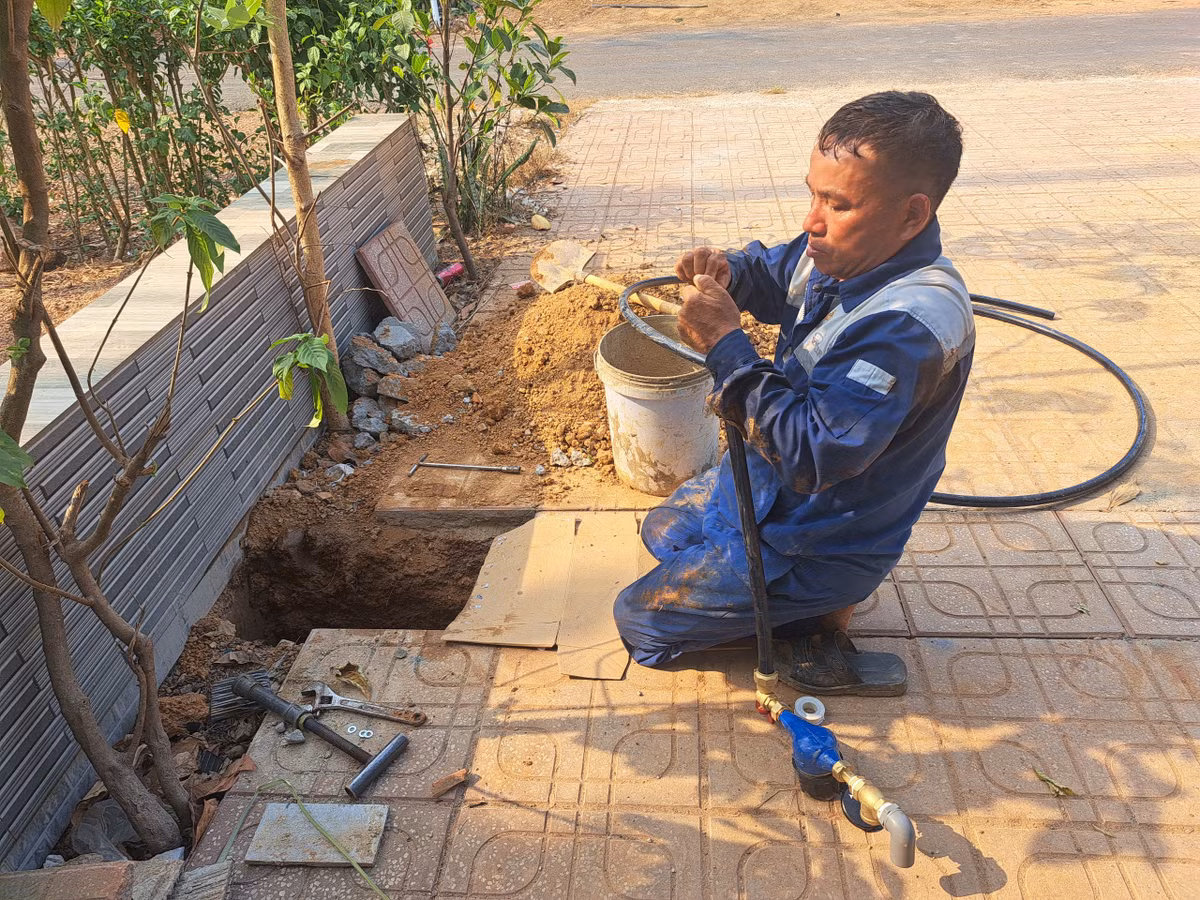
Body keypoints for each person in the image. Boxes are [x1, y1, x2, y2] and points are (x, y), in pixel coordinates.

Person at [613, 91, 973, 696]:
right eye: (814, 193)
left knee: (641, 625)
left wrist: (727, 344)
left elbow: (812, 457)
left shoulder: (909, 325)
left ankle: (806, 622)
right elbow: (775, 270)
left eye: (838, 204)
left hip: (819, 534)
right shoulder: (844, 253)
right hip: (769, 490)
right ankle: (781, 607)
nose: (812, 220)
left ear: (912, 216)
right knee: (661, 531)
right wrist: (728, 270)